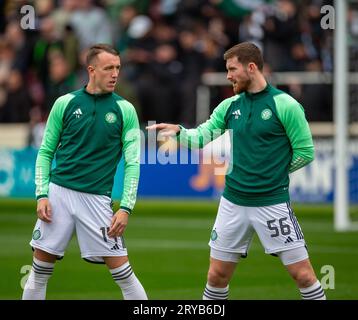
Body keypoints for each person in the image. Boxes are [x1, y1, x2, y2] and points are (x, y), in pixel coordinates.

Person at [147, 42, 326, 300]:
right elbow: (201, 136)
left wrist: (274, 173)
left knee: (304, 276)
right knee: (216, 276)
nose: (228, 75)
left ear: (251, 67)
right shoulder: (229, 106)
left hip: (272, 203)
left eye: (232, 69)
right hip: (233, 202)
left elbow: (305, 152)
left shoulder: (285, 105)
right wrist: (180, 132)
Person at [22, 44, 147, 300]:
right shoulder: (64, 103)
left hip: (97, 201)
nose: (115, 74)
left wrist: (125, 208)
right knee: (39, 271)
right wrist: (42, 195)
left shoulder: (125, 110)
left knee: (124, 273)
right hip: (58, 197)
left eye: (118, 68)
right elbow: (46, 152)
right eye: (108, 68)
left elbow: (133, 162)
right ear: (91, 70)